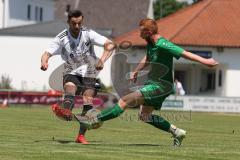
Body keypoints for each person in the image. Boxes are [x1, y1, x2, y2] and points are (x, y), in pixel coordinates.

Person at [74, 18, 218, 146]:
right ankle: (177, 132)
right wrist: (136, 71)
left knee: (124, 100)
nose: (139, 34)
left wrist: (206, 61)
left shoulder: (163, 44)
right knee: (145, 116)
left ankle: (94, 120)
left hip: (161, 87)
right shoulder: (151, 43)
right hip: (154, 84)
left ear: (149, 32)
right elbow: (147, 58)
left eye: (141, 31)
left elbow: (184, 53)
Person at [40, 10, 115, 144]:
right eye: (74, 23)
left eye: (79, 23)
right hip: (71, 71)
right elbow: (47, 53)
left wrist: (102, 60)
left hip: (90, 73)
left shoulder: (88, 33)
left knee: (88, 102)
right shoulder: (61, 37)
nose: (77, 26)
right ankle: (66, 111)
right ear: (68, 22)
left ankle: (80, 136)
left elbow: (110, 44)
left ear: (82, 21)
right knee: (70, 89)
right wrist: (44, 61)